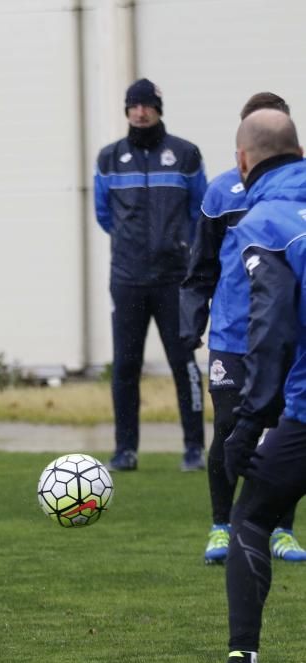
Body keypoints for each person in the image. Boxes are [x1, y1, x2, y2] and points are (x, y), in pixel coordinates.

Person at [178, 108, 305, 663]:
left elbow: (274, 327)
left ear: (242, 159)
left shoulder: (267, 220)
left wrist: (250, 419)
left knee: (250, 517)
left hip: (302, 414)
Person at [94, 78, 208, 472]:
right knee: (125, 367)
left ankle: (194, 448)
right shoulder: (109, 158)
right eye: (133, 105)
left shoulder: (185, 154)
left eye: (146, 104)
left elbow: (198, 213)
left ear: (158, 108)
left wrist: (179, 249)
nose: (140, 111)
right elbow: (104, 215)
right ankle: (125, 450)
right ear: (126, 111)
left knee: (184, 363)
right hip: (126, 279)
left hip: (174, 279)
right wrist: (132, 247)